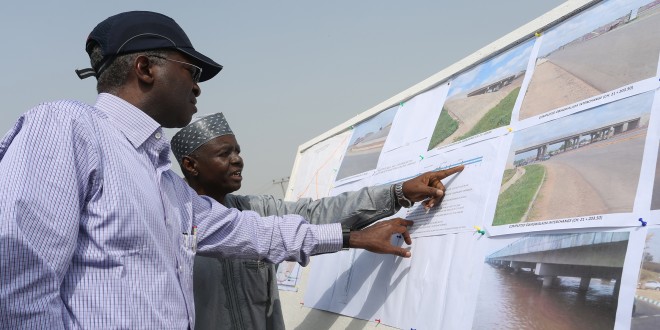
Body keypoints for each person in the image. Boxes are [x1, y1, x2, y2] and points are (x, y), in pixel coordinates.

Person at [0, 11, 422, 329]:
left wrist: (353, 236)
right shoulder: (66, 126)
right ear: (146, 68)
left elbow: (252, 231)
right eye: (192, 71)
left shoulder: (161, 178)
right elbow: (18, 274)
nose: (198, 86)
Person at [170, 112, 465, 329]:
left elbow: (317, 214)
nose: (238, 160)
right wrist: (355, 238)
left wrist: (398, 192)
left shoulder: (256, 210)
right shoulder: (171, 230)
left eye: (238, 151)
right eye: (225, 154)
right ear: (191, 165)